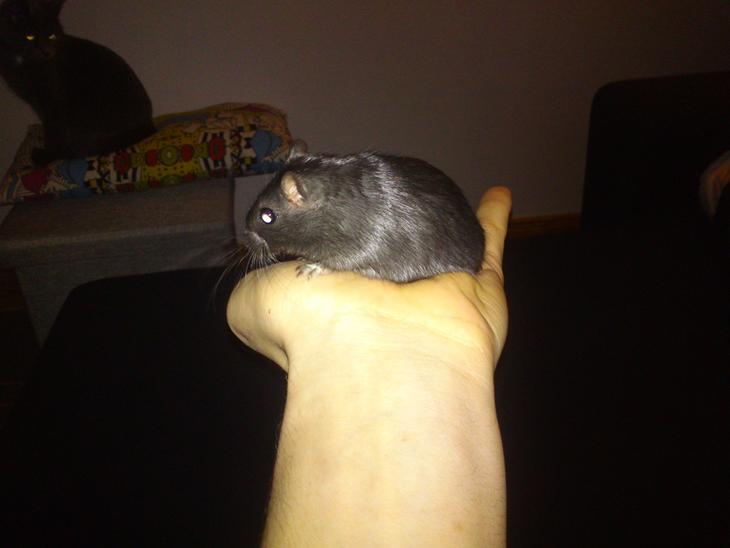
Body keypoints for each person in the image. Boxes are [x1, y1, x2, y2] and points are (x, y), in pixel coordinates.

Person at [227, 186, 512, 547]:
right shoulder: (340, 215)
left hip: (437, 256)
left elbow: (364, 245)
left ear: (299, 195)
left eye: (267, 217)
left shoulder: (352, 225)